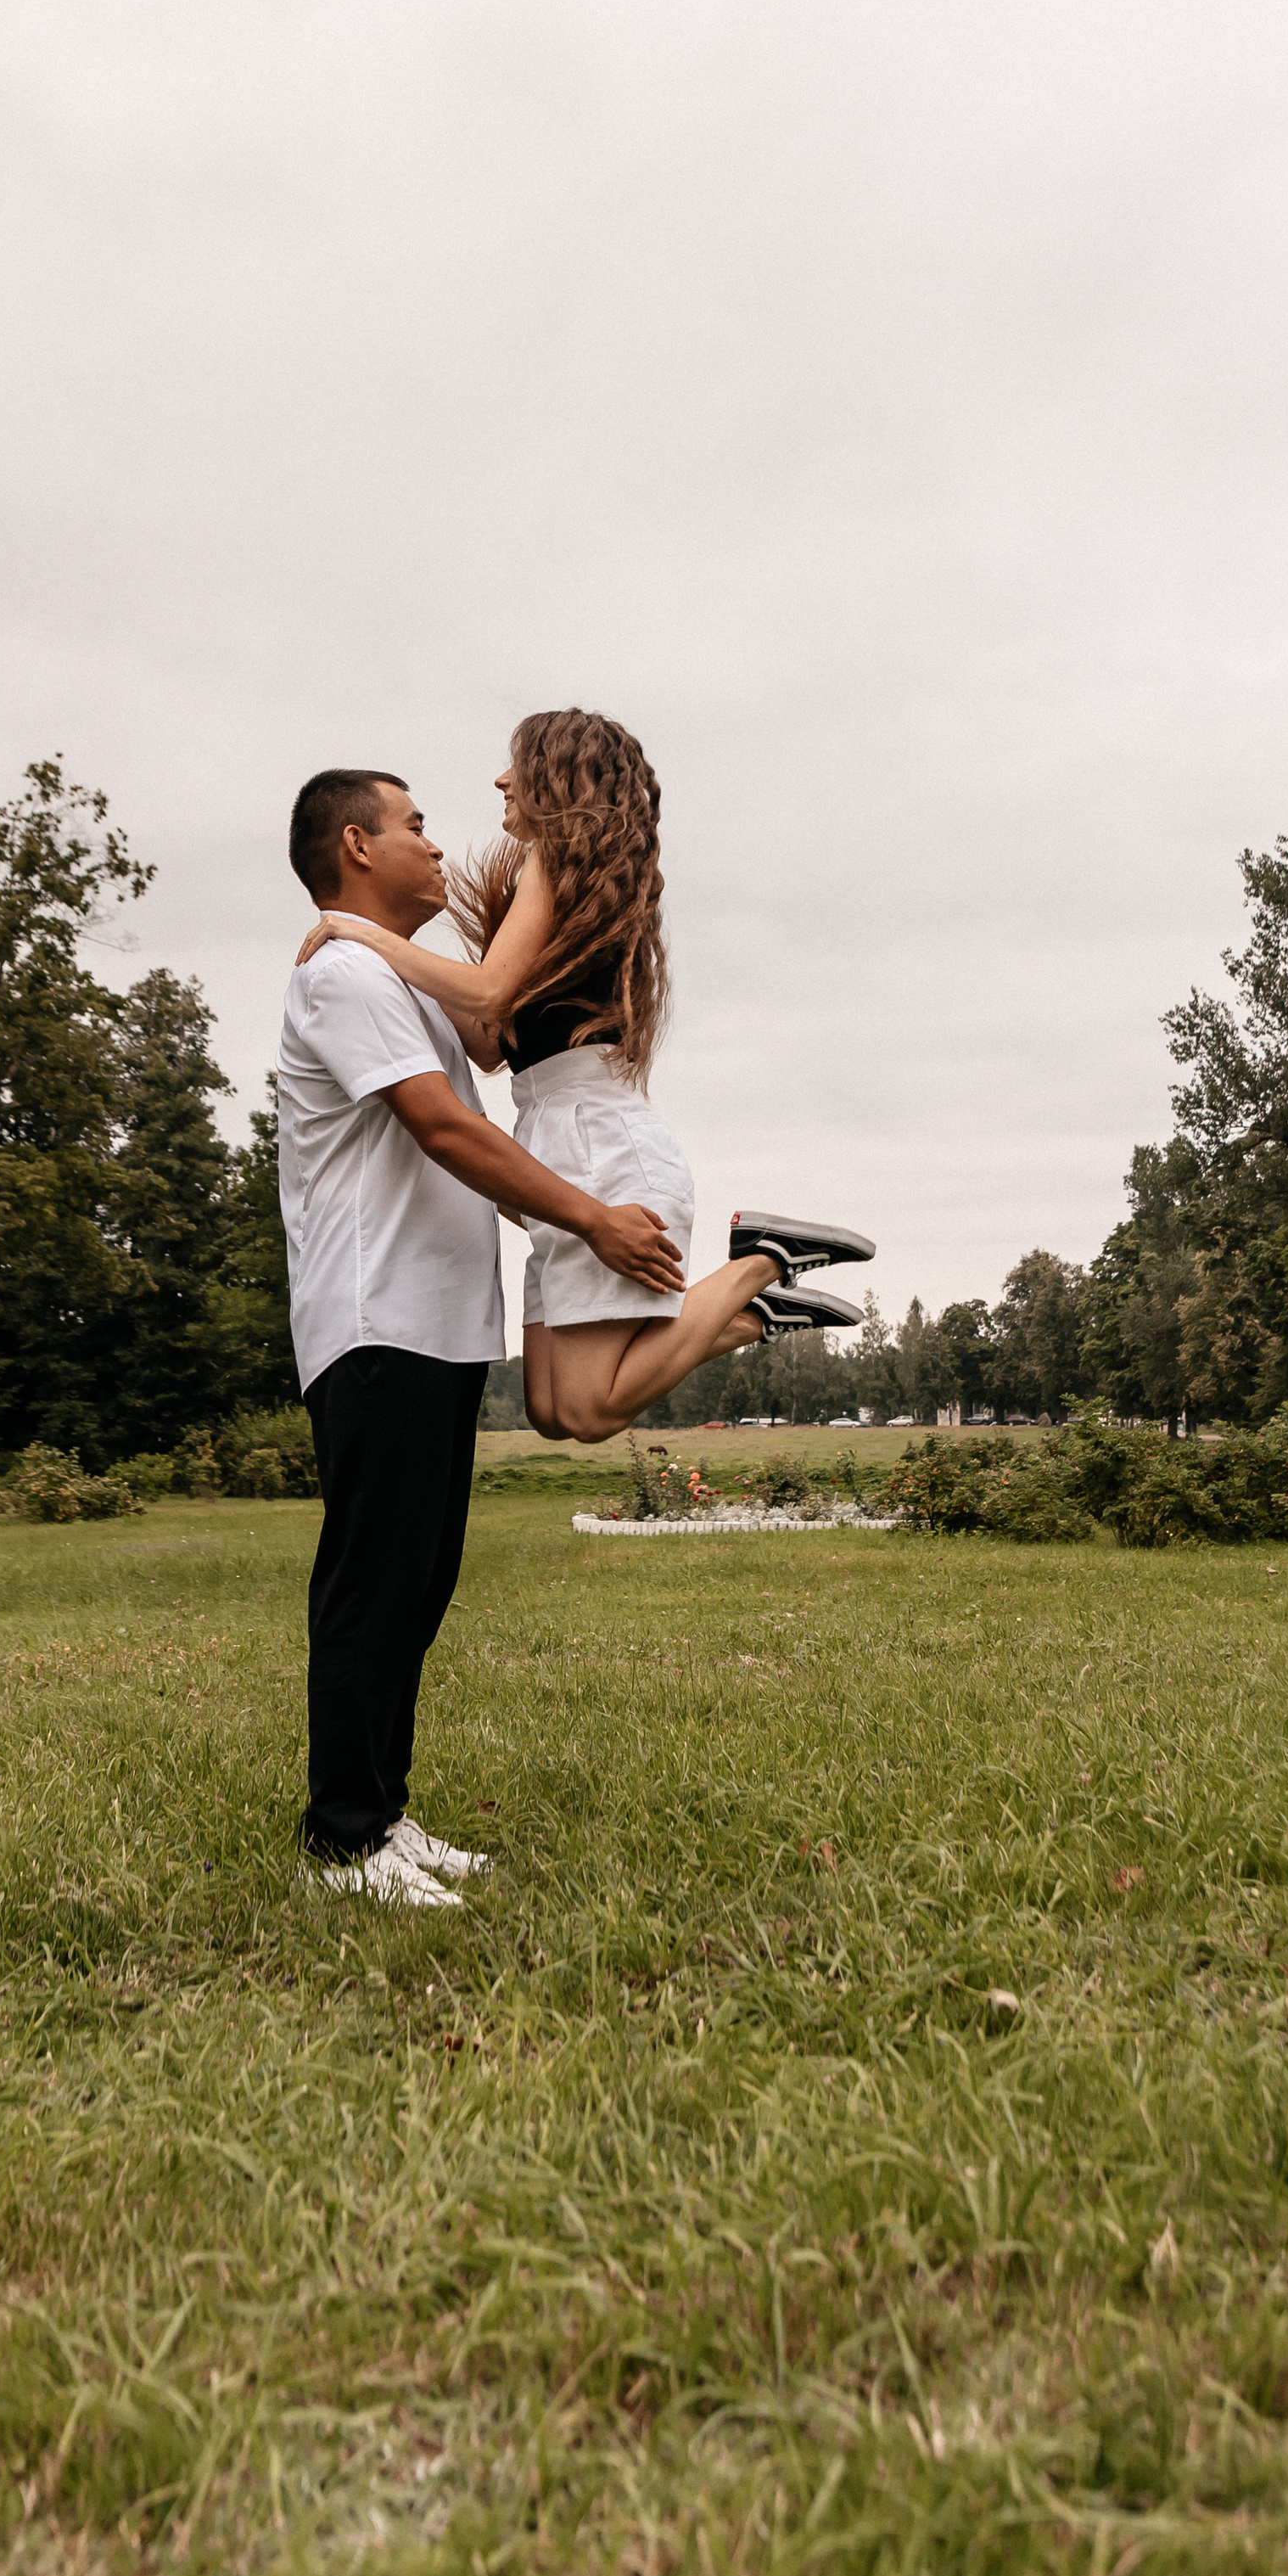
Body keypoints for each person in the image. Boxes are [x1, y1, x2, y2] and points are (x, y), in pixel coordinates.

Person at [279, 762, 688, 1905]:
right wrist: (591, 1217)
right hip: (377, 1317)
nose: (434, 844)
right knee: (375, 1579)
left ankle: (383, 1812)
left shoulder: (408, 991)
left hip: (440, 1324)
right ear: (357, 846)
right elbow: (449, 1133)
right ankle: (345, 1838)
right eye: (413, 826)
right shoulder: (348, 971)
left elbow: (468, 1129)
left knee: (421, 1578)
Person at [294, 707, 874, 1443]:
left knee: (589, 1410)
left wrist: (364, 933)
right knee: (549, 1409)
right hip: (559, 1137)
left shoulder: (554, 859)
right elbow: (487, 1041)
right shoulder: (568, 884)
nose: (502, 780)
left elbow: (485, 994)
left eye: (517, 766)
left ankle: (761, 1262)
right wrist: (392, 969)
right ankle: (756, 1317)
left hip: (598, 1143)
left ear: (557, 776)